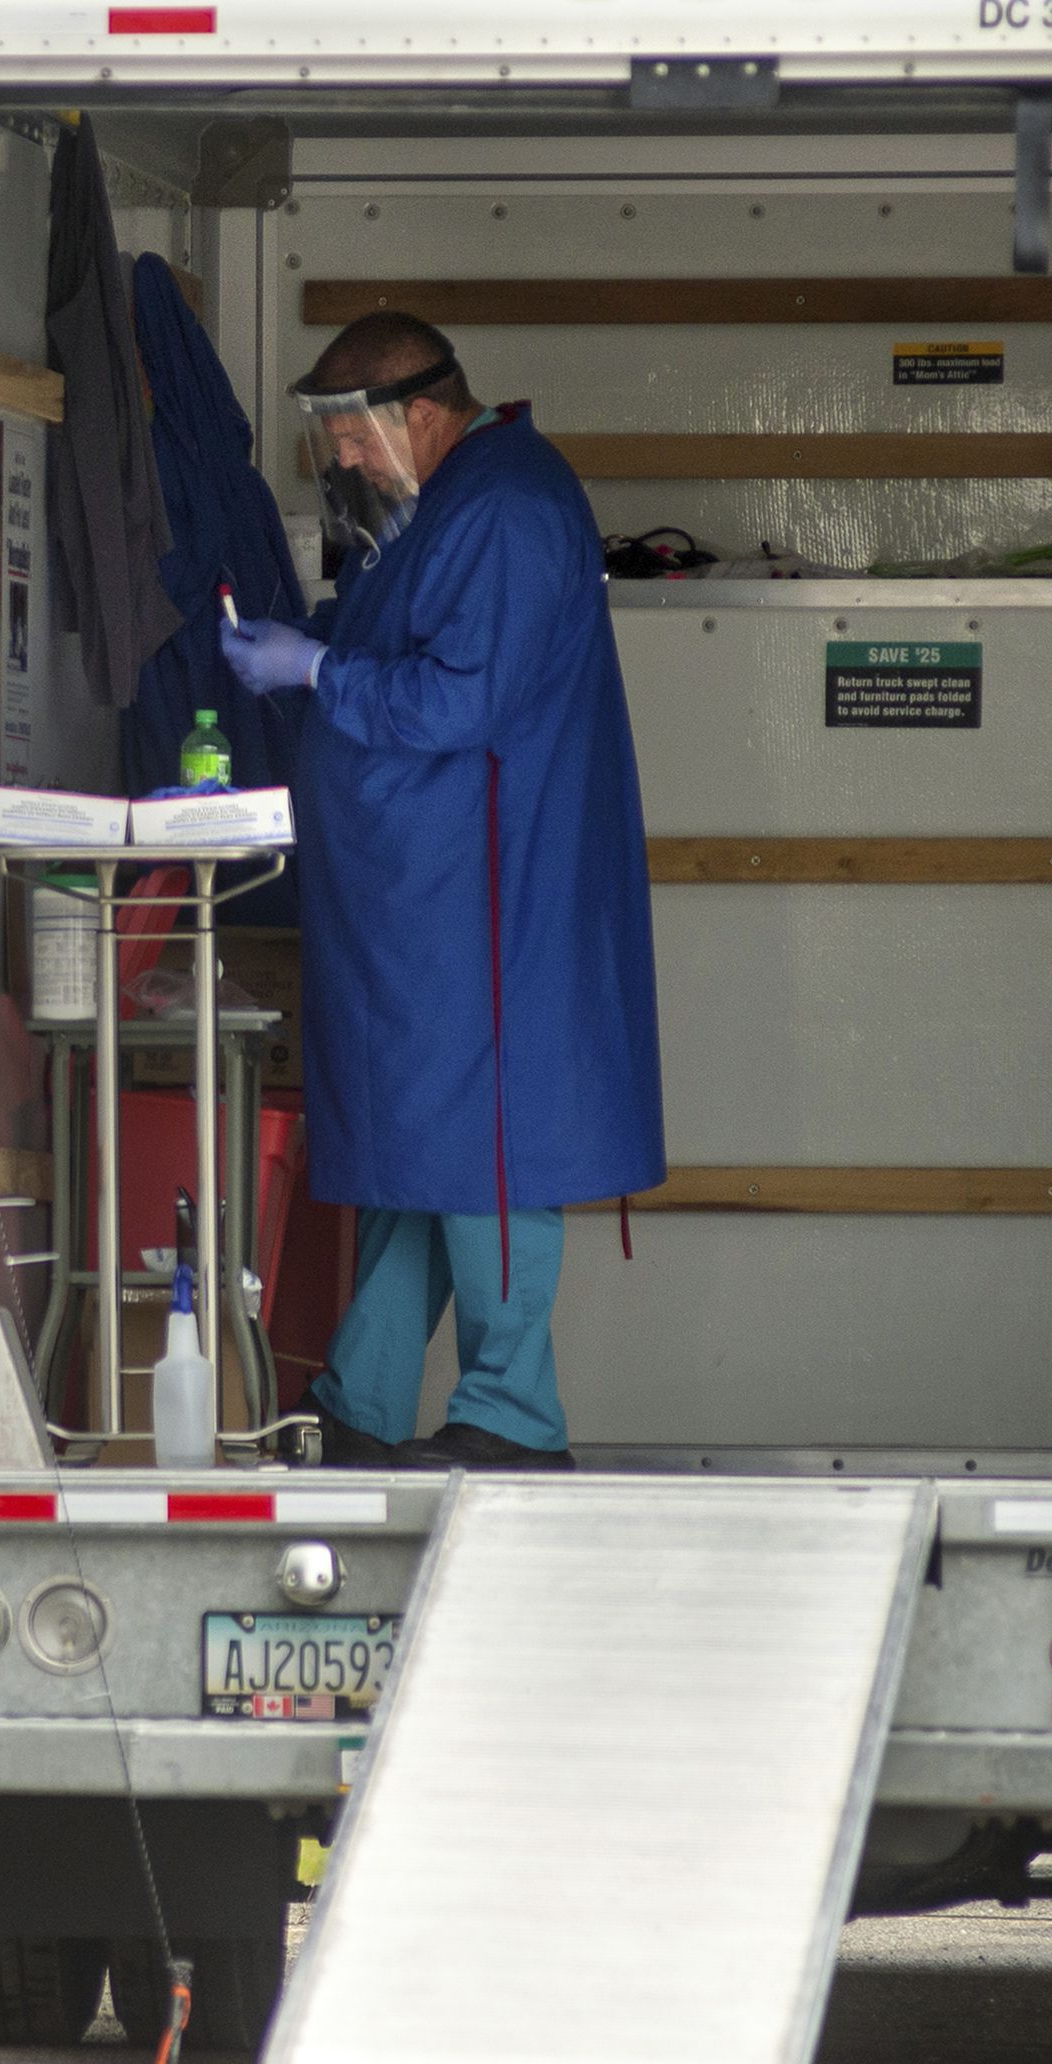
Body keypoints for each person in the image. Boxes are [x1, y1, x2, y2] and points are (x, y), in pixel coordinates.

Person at [218, 312, 664, 1471]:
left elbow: (462, 699)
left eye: (349, 437)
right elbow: (411, 650)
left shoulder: (506, 505)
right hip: (422, 903)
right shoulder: (438, 511)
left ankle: (513, 1420)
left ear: (418, 412)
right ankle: (362, 1404)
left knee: (486, 1149)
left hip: (488, 901)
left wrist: (314, 668)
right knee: (419, 1154)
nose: (341, 462)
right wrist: (314, 641)